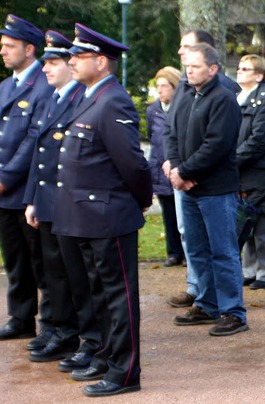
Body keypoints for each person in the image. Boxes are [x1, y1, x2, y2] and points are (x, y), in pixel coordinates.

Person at [51, 23, 153, 397]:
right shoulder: (88, 96)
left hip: (109, 216)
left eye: (78, 56)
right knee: (98, 294)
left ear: (101, 61)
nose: (72, 62)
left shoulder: (113, 100)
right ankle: (106, 357)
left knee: (118, 298)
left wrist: (140, 200)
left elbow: (134, 165)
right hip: (87, 216)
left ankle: (126, 373)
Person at [165, 43, 248, 337]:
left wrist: (185, 172)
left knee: (223, 252)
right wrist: (175, 167)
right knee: (197, 251)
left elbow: (217, 145)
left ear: (213, 69)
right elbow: (171, 132)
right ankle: (207, 303)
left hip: (216, 190)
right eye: (188, 66)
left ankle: (233, 312)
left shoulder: (224, 99)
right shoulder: (186, 94)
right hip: (188, 187)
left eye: (196, 66)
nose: (189, 71)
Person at [22, 30, 92, 364]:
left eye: (53, 63)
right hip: (48, 199)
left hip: (68, 202)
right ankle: (56, 327)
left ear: (70, 64)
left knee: (70, 272)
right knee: (51, 270)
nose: (46, 69)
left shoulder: (79, 98)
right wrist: (33, 198)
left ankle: (69, 334)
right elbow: (40, 153)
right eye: (46, 62)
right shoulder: (52, 97)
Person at [0, 14, 52, 345]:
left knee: (41, 259)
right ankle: (21, 318)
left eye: (9, 46)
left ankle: (53, 323)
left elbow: (34, 138)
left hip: (26, 188)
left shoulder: (43, 86)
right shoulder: (6, 86)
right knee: (14, 258)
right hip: (4, 191)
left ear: (29, 49)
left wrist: (5, 177)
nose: (3, 52)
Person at [235, 54, 265, 290]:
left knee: (263, 228)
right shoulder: (240, 98)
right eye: (239, 68)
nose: (239, 71)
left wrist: (231, 160)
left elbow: (257, 141)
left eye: (246, 69)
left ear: (259, 75)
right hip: (245, 172)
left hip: (261, 173)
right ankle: (250, 270)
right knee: (247, 224)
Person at [147, 66, 184, 267]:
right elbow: (153, 140)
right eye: (157, 86)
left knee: (184, 216)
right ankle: (173, 252)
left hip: (179, 167)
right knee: (168, 214)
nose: (160, 90)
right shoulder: (153, 110)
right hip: (160, 169)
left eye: (164, 86)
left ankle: (187, 253)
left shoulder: (182, 106)